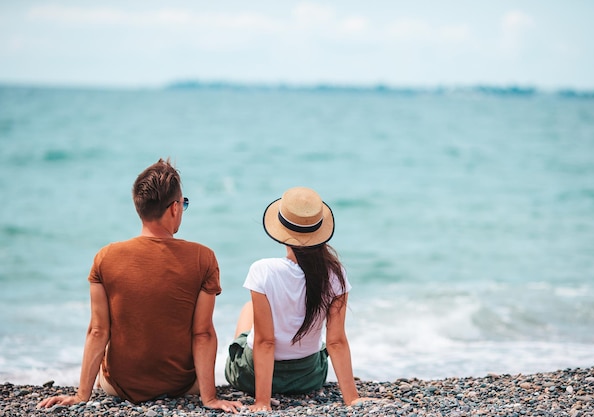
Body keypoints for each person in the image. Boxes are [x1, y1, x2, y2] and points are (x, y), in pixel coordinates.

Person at [38, 158, 242, 413]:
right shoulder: (203, 257)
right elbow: (203, 334)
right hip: (181, 385)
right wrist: (209, 399)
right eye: (184, 203)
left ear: (140, 208)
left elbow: (98, 331)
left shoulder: (106, 257)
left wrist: (82, 395)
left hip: (120, 386)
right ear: (175, 208)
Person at [225, 186, 375, 411]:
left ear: (281, 231)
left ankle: (262, 392)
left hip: (251, 376)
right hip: (308, 377)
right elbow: (336, 341)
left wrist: (262, 402)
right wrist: (352, 399)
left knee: (248, 311)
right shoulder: (335, 274)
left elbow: (265, 342)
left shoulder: (263, 270)